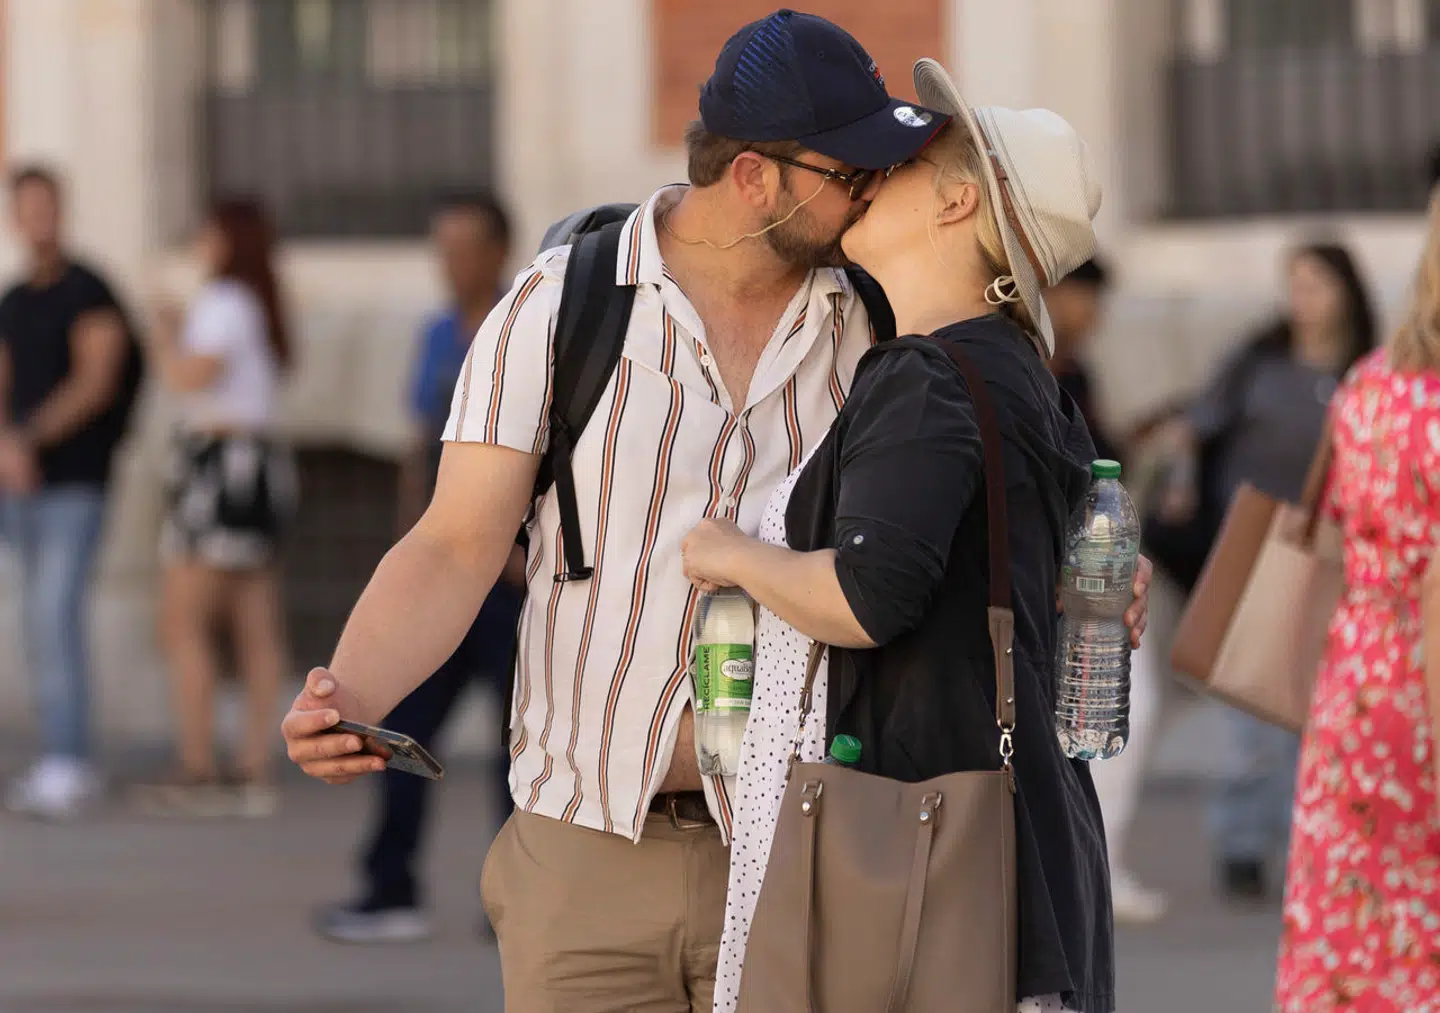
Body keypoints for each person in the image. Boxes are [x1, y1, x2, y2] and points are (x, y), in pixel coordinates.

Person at [682, 61, 1138, 1013]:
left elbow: (866, 595)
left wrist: (730, 554)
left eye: (911, 159)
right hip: (1020, 840)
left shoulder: (925, 375)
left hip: (925, 847)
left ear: (958, 200)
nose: (875, 169)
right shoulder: (1018, 371)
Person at [316, 192, 525, 944]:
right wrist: (411, 544)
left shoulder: (529, 325)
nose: (449, 263)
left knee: (518, 750)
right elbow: (420, 445)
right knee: (402, 729)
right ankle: (389, 886)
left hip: (510, 585)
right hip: (448, 582)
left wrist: (521, 559)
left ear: (498, 250)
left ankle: (514, 902)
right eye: (440, 247)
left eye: (462, 247)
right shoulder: (437, 332)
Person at [1151, 242, 1377, 900]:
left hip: (1341, 552)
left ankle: (1321, 840)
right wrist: (1182, 484)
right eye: (1294, 282)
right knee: (1254, 704)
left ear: (1346, 290)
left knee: (1331, 710)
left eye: (1316, 282)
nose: (1303, 296)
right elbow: (1193, 427)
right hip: (1255, 548)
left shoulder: (1365, 368)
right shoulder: (1257, 361)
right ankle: (1244, 842)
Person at [1274, 193, 1440, 1013]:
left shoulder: (1368, 386)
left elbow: (1340, 523)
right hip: (1429, 680)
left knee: (1348, 924)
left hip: (1358, 683)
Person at [136, 198, 295, 817]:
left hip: (217, 469)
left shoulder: (225, 302)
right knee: (254, 623)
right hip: (252, 466)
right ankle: (253, 763)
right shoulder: (256, 302)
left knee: (186, 622)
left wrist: (167, 333)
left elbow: (188, 378)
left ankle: (200, 763)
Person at [0, 165, 142, 819]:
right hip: (19, 488)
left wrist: (26, 438)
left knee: (55, 614)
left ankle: (70, 758)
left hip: (74, 484)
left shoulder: (89, 290)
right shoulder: (15, 299)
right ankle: (58, 753)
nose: (38, 218)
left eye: (46, 206)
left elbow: (96, 380)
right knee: (35, 619)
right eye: (25, 207)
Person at [1044, 256, 1166, 923]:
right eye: (1085, 300)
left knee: (1122, 713)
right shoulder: (1031, 365)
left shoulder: (1077, 372)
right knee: (1117, 710)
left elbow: (1097, 460)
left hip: (1098, 567)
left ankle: (1100, 862)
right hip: (1068, 575)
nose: (1092, 317)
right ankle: (1095, 865)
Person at [1045, 258, 1120, 464]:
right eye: (1087, 299)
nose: (1093, 316)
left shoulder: (1074, 375)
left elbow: (1097, 451)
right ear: (1052, 294)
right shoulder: (1016, 373)